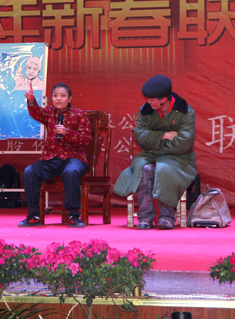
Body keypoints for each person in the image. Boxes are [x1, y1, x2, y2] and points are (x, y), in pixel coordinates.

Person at [113, 75, 198, 230]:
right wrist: (165, 135)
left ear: (163, 100)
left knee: (163, 168)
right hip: (149, 155)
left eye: (152, 99)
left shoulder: (185, 111)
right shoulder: (146, 111)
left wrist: (155, 145)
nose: (148, 102)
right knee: (144, 168)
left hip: (179, 158)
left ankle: (166, 217)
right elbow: (141, 138)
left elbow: (184, 144)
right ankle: (145, 217)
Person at [18, 82, 92, 228]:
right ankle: (34, 215)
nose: (58, 98)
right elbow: (36, 112)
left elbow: (86, 140)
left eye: (63, 96)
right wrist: (31, 101)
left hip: (74, 157)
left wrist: (67, 132)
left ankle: (73, 215)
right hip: (51, 158)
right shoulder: (49, 113)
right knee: (30, 172)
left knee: (71, 172)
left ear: (70, 99)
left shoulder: (80, 115)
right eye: (55, 95)